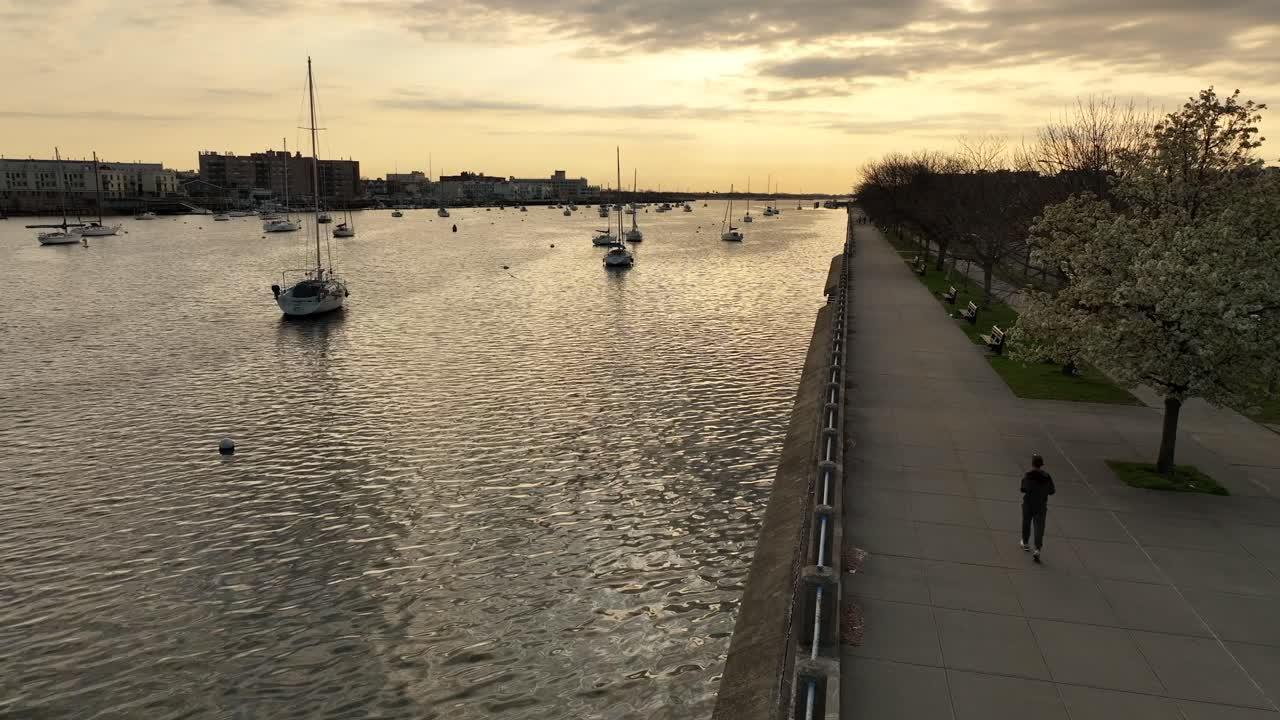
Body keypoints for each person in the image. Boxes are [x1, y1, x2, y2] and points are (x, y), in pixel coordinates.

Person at [1020, 454, 1055, 563]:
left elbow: (1023, 488)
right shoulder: (1047, 476)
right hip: (1041, 505)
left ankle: (1025, 542)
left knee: (1026, 522)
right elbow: (1052, 491)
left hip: (1029, 503)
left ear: (1032, 463)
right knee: (1039, 527)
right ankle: (1037, 549)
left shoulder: (1028, 475)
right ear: (1041, 464)